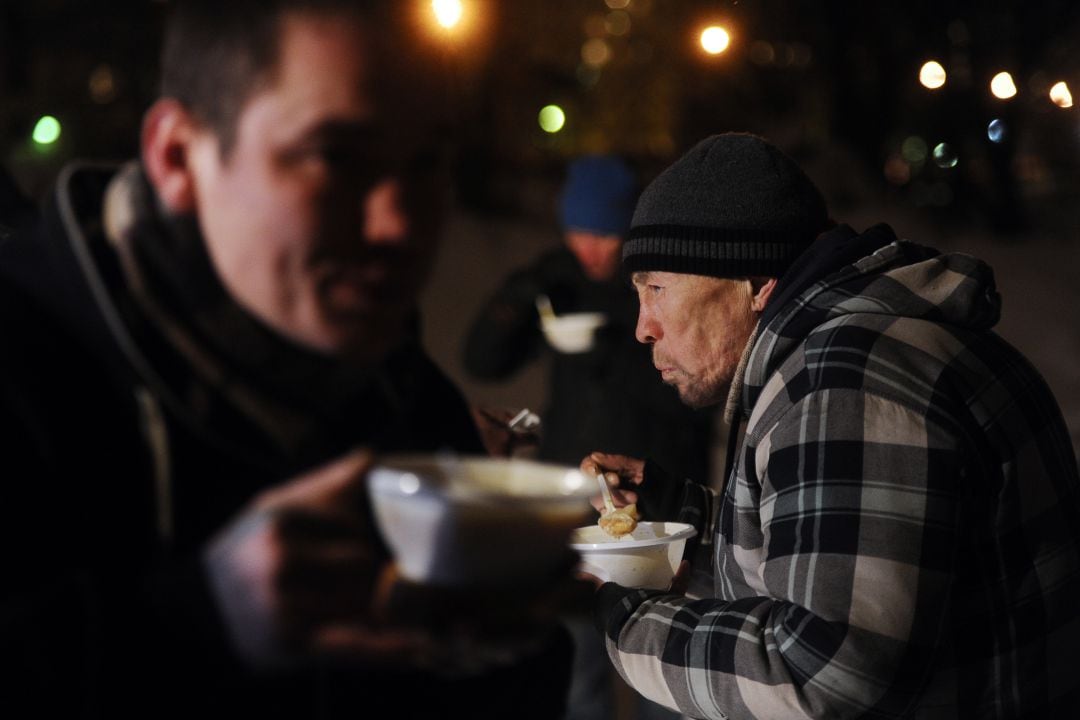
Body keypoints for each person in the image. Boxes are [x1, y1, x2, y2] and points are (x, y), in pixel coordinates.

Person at [0, 1, 574, 718]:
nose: (400, 223)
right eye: (334, 156)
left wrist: (503, 637)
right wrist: (198, 622)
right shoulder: (26, 362)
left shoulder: (409, 405)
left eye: (428, 161)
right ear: (178, 157)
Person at [584, 133, 1080, 718]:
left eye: (658, 290)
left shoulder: (847, 382)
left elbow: (825, 673)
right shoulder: (858, 351)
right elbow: (847, 558)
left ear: (756, 282)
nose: (644, 327)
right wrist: (691, 516)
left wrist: (629, 615)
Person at [463, 155, 713, 720]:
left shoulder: (657, 284)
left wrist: (614, 354)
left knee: (664, 676)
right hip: (572, 509)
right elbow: (480, 360)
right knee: (576, 672)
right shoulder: (560, 280)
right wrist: (518, 295)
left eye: (603, 234)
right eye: (579, 232)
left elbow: (695, 405)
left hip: (654, 508)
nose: (590, 249)